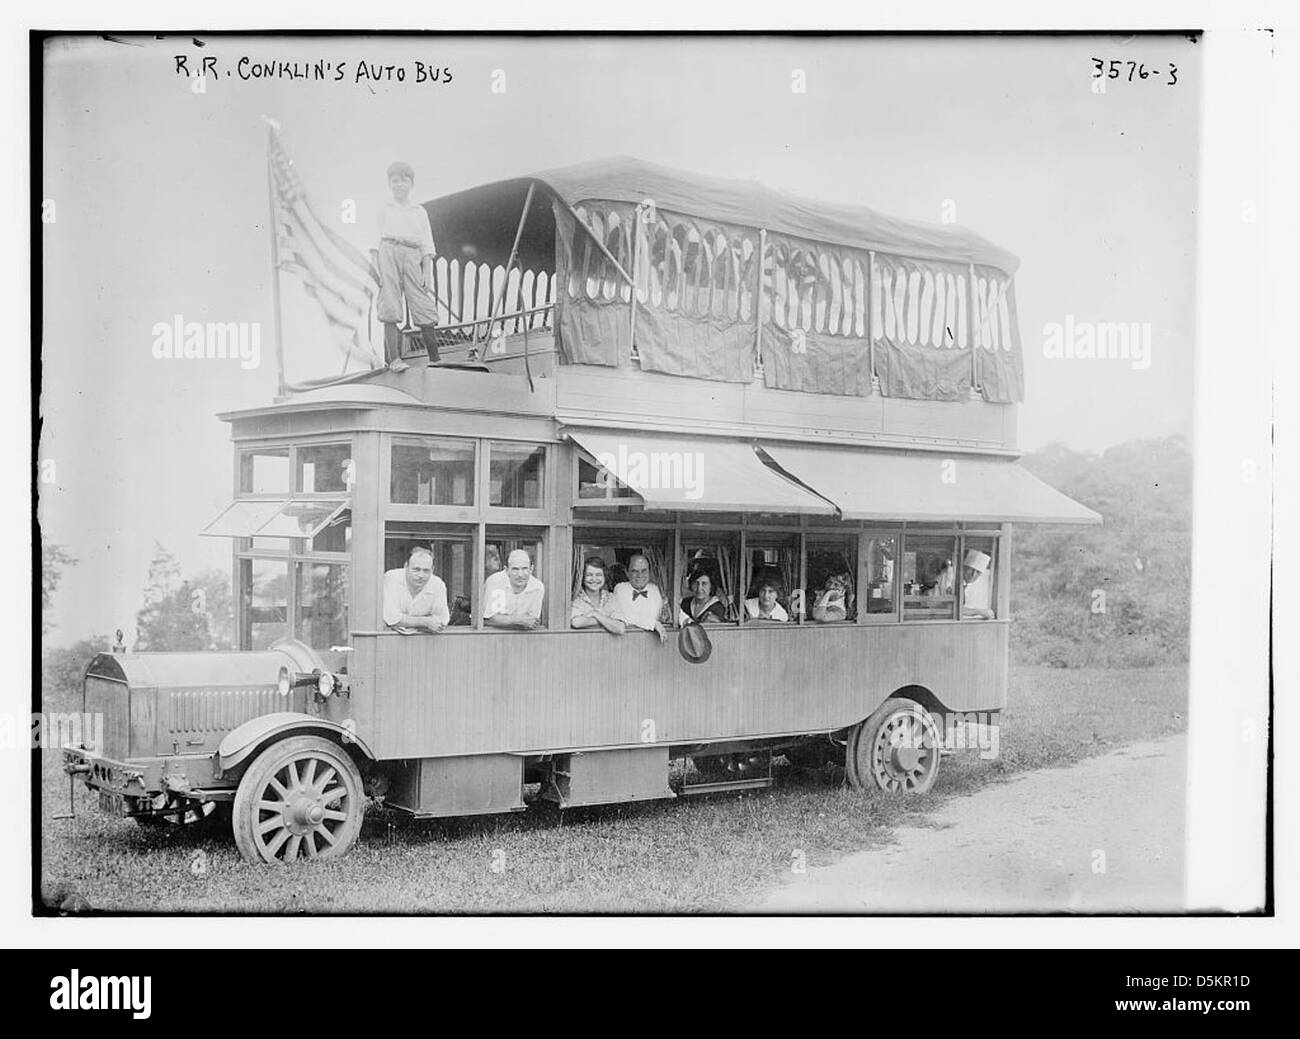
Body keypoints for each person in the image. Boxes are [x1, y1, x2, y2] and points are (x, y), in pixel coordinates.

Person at [371, 161, 440, 372]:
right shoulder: (383, 208)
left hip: (412, 254)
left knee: (422, 303)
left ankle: (435, 359)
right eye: (395, 181)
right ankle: (394, 360)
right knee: (390, 303)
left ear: (411, 184)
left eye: (404, 180)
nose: (399, 184)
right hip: (388, 251)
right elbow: (374, 243)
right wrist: (377, 269)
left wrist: (427, 273)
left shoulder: (419, 211)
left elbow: (427, 245)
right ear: (389, 184)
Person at [382, 546, 449, 634]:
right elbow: (391, 618)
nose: (421, 575)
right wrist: (426, 622)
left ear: (432, 570)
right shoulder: (392, 578)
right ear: (406, 566)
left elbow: (441, 621)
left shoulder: (438, 585)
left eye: (426, 571)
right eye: (416, 569)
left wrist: (405, 621)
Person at [612, 553, 669, 644]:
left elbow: (668, 607)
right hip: (627, 643)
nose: (640, 575)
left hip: (656, 643)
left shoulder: (655, 589)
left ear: (649, 572)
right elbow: (626, 616)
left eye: (644, 571)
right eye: (635, 571)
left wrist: (686, 620)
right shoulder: (620, 589)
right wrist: (654, 624)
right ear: (627, 572)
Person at [483, 549, 544, 629]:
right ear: (506, 570)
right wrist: (519, 620)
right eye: (515, 569)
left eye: (524, 568)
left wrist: (505, 620)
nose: (520, 575)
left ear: (531, 569)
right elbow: (489, 619)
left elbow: (531, 622)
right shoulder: (496, 582)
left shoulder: (537, 587)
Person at [570, 556, 626, 635]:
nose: (594, 579)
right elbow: (576, 622)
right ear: (582, 577)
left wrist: (595, 614)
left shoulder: (611, 598)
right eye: (589, 575)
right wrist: (608, 620)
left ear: (604, 576)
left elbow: (620, 628)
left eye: (598, 574)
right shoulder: (576, 597)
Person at [960, 549, 994, 619]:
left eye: (978, 572)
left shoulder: (982, 585)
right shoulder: (951, 581)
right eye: (971, 569)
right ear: (964, 567)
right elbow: (954, 609)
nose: (973, 575)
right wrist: (979, 612)